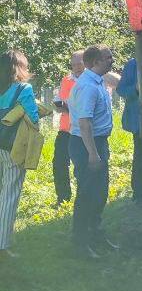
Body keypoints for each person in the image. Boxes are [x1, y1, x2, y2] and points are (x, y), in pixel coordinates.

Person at [69, 45, 117, 258]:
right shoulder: (87, 86)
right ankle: (80, 243)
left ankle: (96, 235)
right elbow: (84, 123)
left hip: (97, 142)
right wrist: (93, 154)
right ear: (96, 61)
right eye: (108, 58)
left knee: (100, 193)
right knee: (87, 194)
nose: (112, 60)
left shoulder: (98, 81)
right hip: (86, 145)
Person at [0, 50, 42, 260]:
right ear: (20, 68)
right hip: (11, 146)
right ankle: (3, 245)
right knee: (9, 194)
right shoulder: (23, 88)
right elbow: (33, 117)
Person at [116, 57, 142, 204]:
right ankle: (139, 195)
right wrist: (135, 89)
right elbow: (121, 89)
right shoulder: (133, 64)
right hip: (141, 121)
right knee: (140, 158)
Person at [52, 51, 84, 205]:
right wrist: (58, 105)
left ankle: (83, 198)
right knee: (59, 163)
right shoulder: (66, 80)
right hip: (65, 129)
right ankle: (63, 198)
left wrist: (71, 109)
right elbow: (59, 99)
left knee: (81, 166)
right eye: (74, 64)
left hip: (83, 131)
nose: (76, 67)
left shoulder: (91, 80)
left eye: (80, 64)